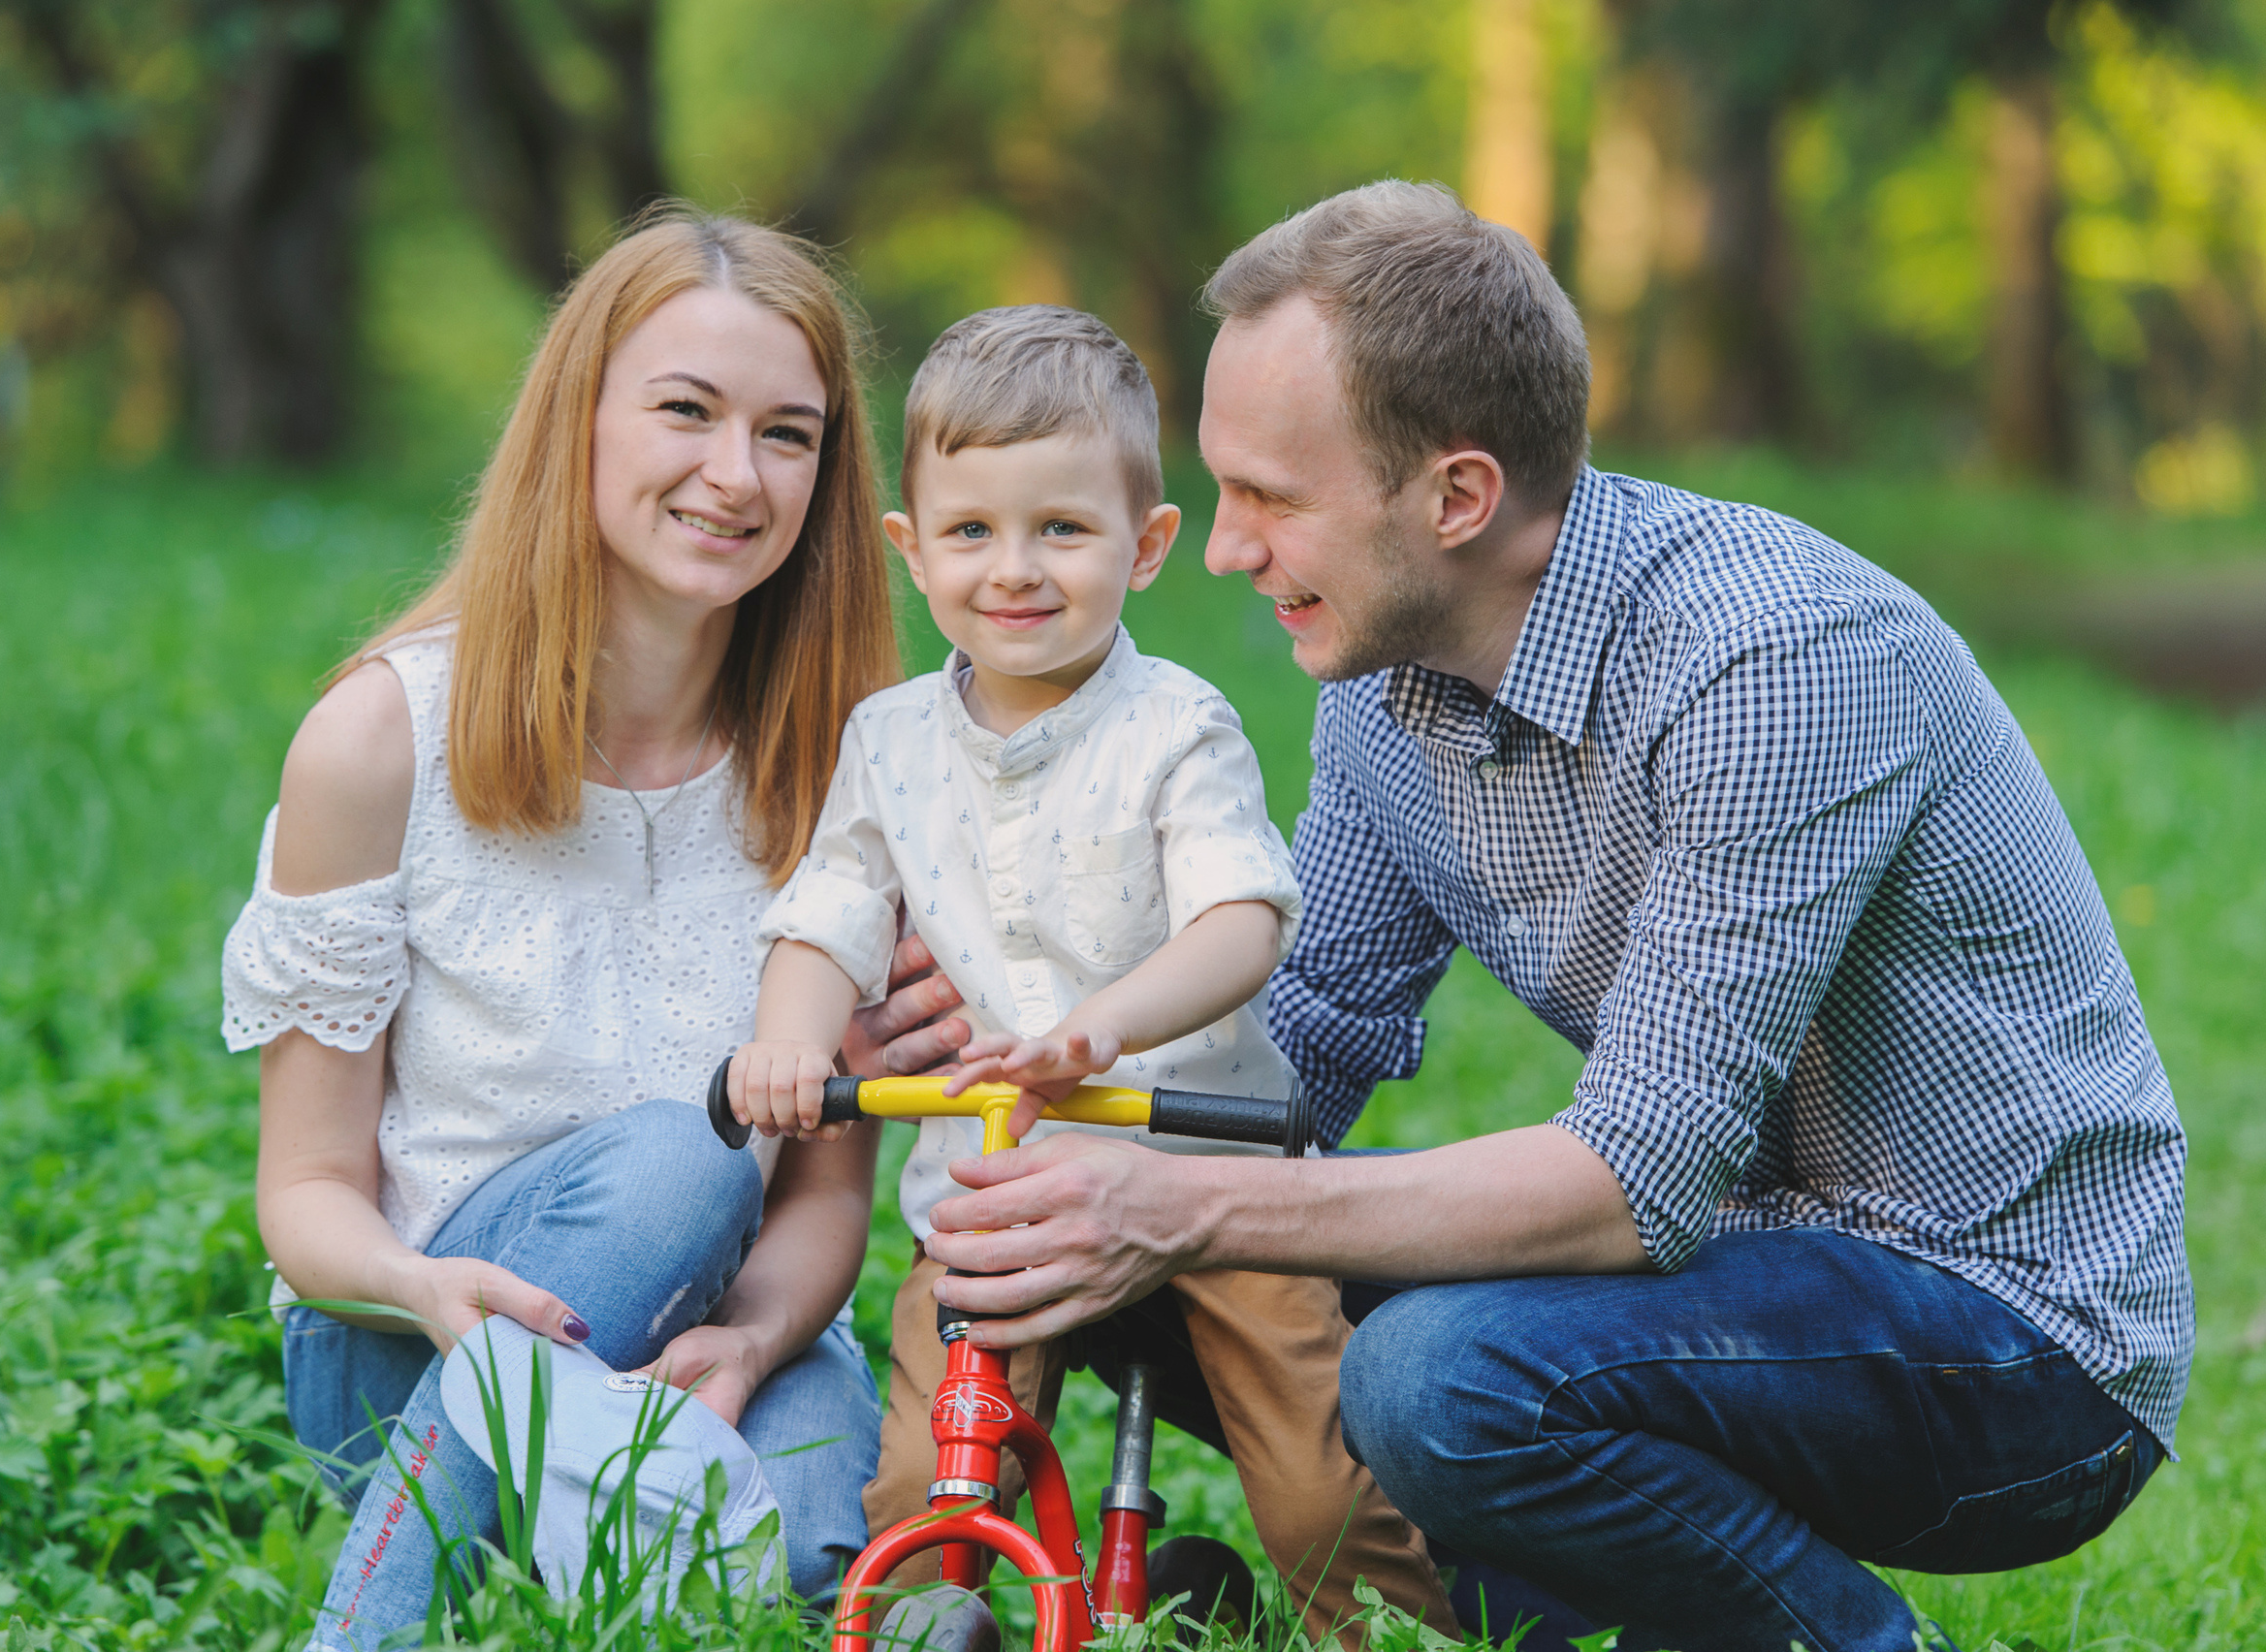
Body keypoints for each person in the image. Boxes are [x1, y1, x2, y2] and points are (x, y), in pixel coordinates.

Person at [907, 182, 2193, 1652]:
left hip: (2009, 1338)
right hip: (1731, 1273)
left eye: (1272, 498)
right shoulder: (1389, 690)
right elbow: (1290, 1065)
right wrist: (1035, 1072)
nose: (1224, 549)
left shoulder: (1768, 663)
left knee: (1439, 1378)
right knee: (1133, 1265)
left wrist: (1186, 1203)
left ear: (1456, 498)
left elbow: (1635, 1182)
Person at [220, 208, 951, 1649]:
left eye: (788, 434)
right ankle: (374, 1620)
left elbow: (821, 1205)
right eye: (686, 410)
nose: (735, 475)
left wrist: (747, 1344)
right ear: (582, 420)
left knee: (814, 1558)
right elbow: (305, 1198)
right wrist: (427, 1289)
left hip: (719, 1332)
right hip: (412, 1350)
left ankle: (597, 1562)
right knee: (690, 1151)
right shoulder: (381, 742)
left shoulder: (855, 778)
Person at [723, 305, 1456, 1642]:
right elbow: (829, 908)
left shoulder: (1178, 726)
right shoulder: (887, 741)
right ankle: (931, 1612)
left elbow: (1242, 919)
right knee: (923, 1475)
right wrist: (790, 1040)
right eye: (972, 533)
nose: (1015, 570)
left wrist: (1096, 1032)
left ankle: (1394, 1624)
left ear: (1149, 542)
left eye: (1062, 530)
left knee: (1313, 1494)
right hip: (997, 1189)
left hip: (1206, 1172)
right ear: (911, 548)